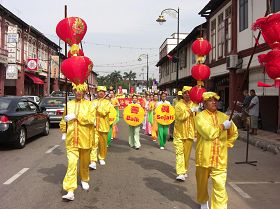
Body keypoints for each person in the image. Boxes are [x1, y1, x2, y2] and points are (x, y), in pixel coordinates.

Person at [194, 92, 238, 209]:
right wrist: (222, 127)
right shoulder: (199, 117)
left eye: (215, 100)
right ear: (204, 103)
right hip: (204, 157)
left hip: (220, 159)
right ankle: (203, 202)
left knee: (220, 187)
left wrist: (226, 144)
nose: (214, 102)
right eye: (210, 100)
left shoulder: (224, 117)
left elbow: (234, 133)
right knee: (202, 184)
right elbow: (208, 133)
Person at [60, 83, 95, 201]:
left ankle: (84, 179)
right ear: (74, 91)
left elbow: (91, 119)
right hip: (71, 140)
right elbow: (64, 119)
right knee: (72, 164)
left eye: (81, 91)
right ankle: (70, 190)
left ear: (84, 92)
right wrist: (63, 131)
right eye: (76, 91)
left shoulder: (89, 105)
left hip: (85, 138)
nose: (78, 93)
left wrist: (76, 116)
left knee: (84, 163)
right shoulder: (68, 104)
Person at [173, 86, 199, 181]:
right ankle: (180, 173)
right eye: (185, 93)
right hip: (179, 133)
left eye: (189, 93)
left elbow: (198, 120)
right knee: (179, 153)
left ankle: (184, 170)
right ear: (182, 94)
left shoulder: (195, 105)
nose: (187, 95)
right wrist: (190, 111)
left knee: (186, 155)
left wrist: (197, 133)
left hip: (190, 133)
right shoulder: (178, 105)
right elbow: (180, 117)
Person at [89, 86, 113, 170]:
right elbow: (90, 113)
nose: (101, 93)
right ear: (97, 92)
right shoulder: (92, 102)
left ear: (105, 93)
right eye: (99, 91)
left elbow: (104, 112)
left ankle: (102, 157)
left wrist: (97, 109)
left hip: (104, 126)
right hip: (94, 126)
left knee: (103, 144)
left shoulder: (108, 103)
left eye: (102, 91)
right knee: (93, 143)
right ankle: (93, 161)